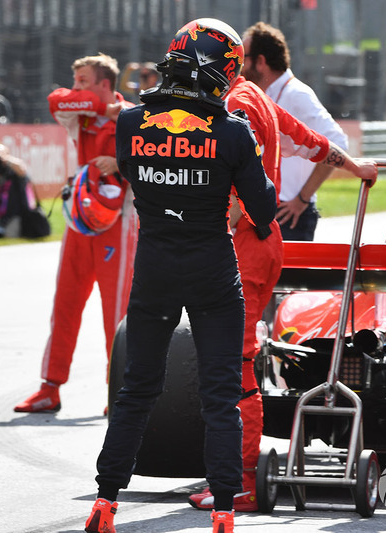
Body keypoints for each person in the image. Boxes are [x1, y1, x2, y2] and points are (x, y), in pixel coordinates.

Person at [84, 19, 276, 533]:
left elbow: (135, 174)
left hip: (155, 268)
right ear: (224, 69)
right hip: (213, 268)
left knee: (137, 389)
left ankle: (105, 501)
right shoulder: (234, 129)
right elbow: (265, 211)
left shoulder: (129, 122)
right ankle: (224, 510)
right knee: (220, 394)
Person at [187, 71, 378, 512]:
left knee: (232, 366)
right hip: (266, 242)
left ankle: (240, 481)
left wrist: (221, 222)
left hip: (242, 244)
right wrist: (357, 167)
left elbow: (238, 177)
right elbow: (313, 141)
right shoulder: (258, 98)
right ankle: (238, 473)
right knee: (235, 361)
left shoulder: (235, 106)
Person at [13, 54, 136, 414]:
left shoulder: (134, 117)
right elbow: (56, 100)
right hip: (79, 221)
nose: (76, 87)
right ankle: (49, 387)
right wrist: (101, 107)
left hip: (120, 223)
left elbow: (151, 161)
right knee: (65, 302)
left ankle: (119, 392)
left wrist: (119, 162)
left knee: (117, 312)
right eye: (76, 79)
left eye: (84, 80)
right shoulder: (78, 113)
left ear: (105, 82)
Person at [240, 21, 349, 241]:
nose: (239, 66)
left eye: (243, 59)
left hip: (290, 214)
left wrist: (302, 199)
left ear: (260, 61)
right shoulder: (265, 92)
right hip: (268, 210)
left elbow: (339, 142)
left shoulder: (296, 94)